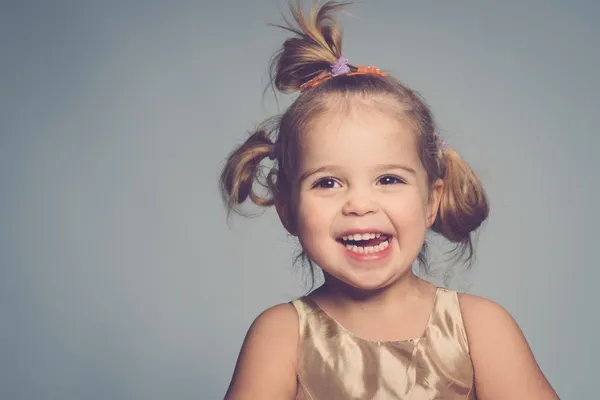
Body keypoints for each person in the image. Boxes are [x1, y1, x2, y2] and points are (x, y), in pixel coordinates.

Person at [219, 1, 559, 399]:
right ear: (287, 210)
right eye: (327, 183)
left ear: (431, 201)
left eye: (388, 179)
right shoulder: (281, 336)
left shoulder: (480, 327)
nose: (360, 205)